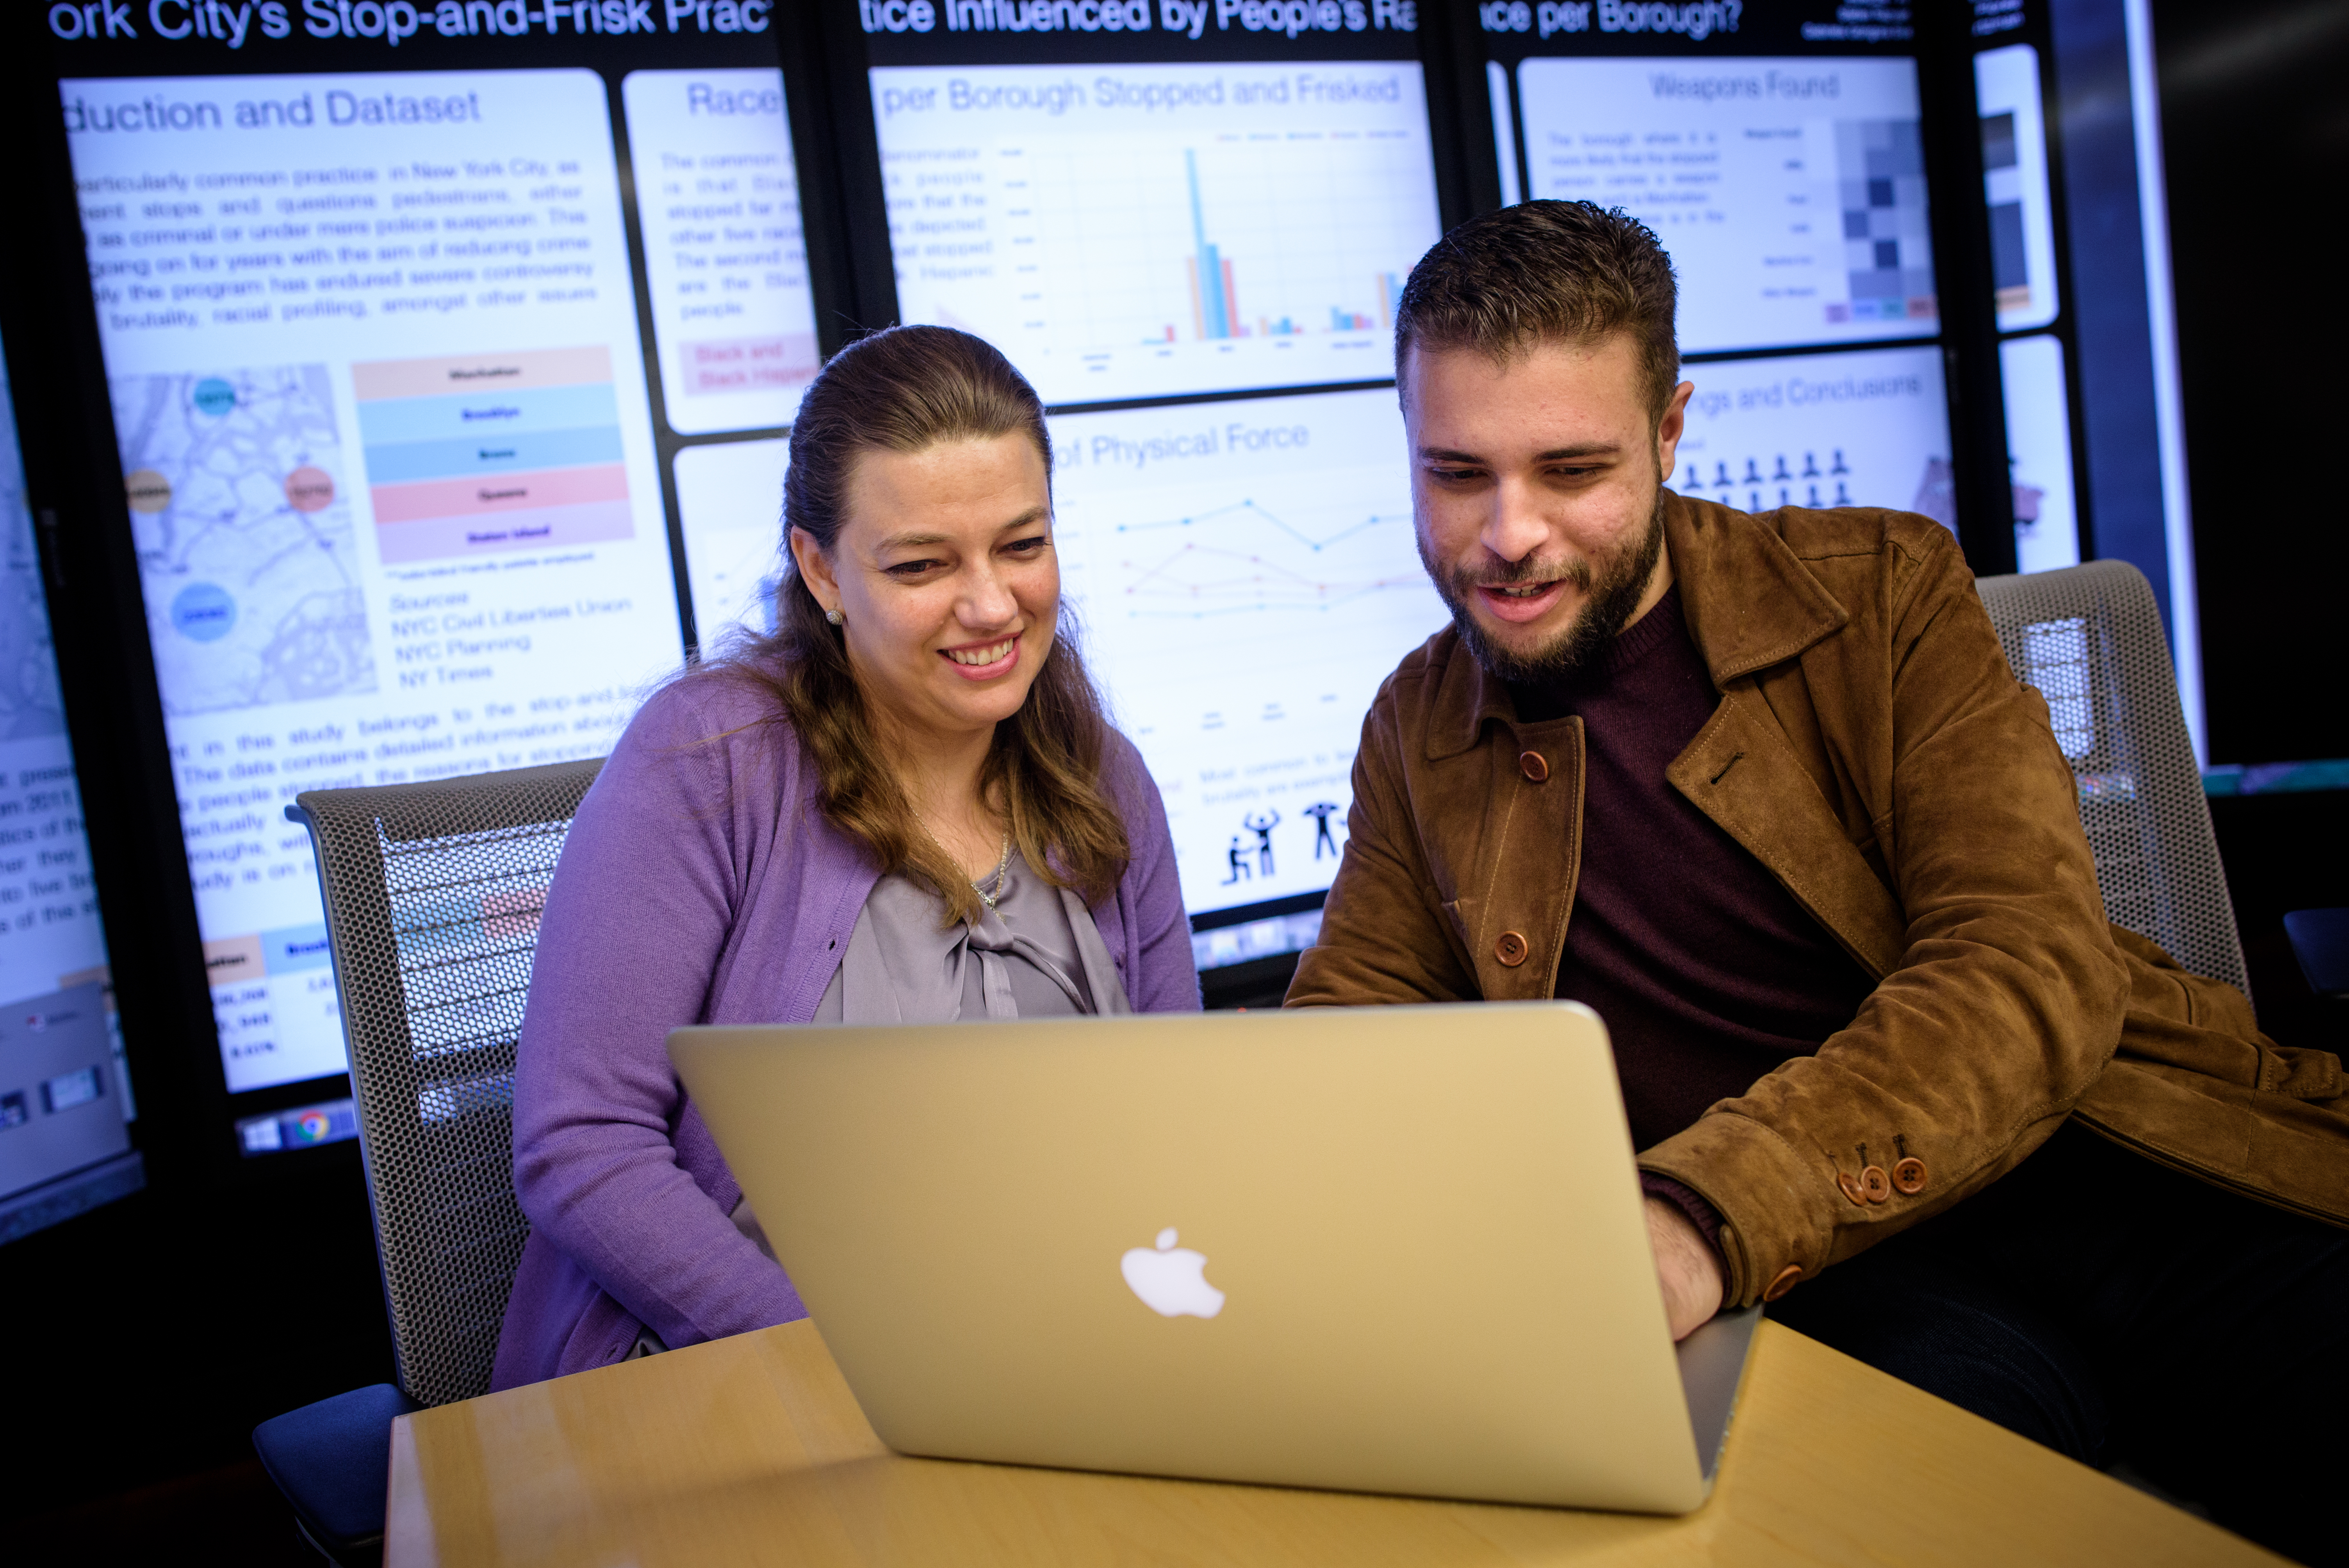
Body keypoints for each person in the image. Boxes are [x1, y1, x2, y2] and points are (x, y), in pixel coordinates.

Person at [1286, 201, 2349, 1563]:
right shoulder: (1417, 726)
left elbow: (2024, 965)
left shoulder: (1885, 590)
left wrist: (1694, 1212)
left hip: (2122, 1176)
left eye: (1571, 469)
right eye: (1456, 473)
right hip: (1840, 1293)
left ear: (1671, 433)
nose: (1510, 535)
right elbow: (1353, 1047)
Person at [495, 326, 1200, 1388]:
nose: (991, 605)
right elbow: (581, 1143)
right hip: (745, 1373)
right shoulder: (710, 763)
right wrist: (848, 1367)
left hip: (1051, 1368)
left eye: (1022, 545)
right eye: (922, 564)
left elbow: (1181, 1119)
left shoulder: (1105, 781)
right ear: (821, 569)